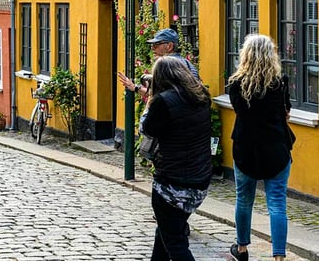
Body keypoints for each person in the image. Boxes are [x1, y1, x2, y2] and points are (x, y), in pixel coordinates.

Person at [227, 34, 294, 261]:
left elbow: (239, 111)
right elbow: (286, 113)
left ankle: (242, 248)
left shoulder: (236, 83)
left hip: (246, 149)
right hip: (276, 148)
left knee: (244, 199)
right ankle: (279, 256)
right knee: (277, 203)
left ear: (245, 55)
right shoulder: (280, 82)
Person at [140, 56, 212, 261]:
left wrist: (150, 100)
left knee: (176, 244)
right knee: (166, 231)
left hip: (172, 184)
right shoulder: (202, 97)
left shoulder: (163, 101)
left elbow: (147, 130)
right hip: (199, 180)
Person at [117, 27, 199, 97]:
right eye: (152, 45)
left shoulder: (167, 65)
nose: (152, 48)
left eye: (156, 44)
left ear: (169, 46)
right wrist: (134, 87)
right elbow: (162, 93)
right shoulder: (186, 63)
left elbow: (167, 96)